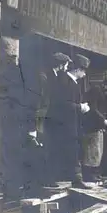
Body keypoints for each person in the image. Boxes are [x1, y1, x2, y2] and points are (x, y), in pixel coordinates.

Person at [24, 52, 72, 196]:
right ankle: (41, 183)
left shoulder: (53, 76)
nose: (67, 67)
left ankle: (47, 180)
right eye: (66, 64)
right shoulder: (44, 77)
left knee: (47, 149)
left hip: (47, 120)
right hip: (40, 120)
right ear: (61, 64)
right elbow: (38, 103)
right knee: (40, 150)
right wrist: (33, 126)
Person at [45, 54, 91, 189]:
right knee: (58, 150)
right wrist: (80, 107)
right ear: (77, 70)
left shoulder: (71, 82)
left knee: (72, 150)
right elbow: (61, 104)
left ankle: (75, 179)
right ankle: (53, 179)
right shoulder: (63, 81)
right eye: (84, 70)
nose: (84, 74)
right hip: (61, 124)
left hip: (69, 124)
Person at [81, 75, 107, 182]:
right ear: (106, 85)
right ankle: (88, 175)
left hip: (98, 126)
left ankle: (95, 174)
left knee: (97, 151)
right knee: (91, 151)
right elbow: (92, 109)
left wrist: (103, 124)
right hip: (90, 126)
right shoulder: (96, 91)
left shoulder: (105, 94)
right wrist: (103, 121)